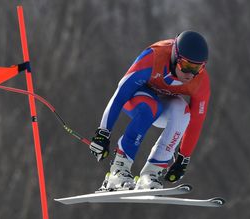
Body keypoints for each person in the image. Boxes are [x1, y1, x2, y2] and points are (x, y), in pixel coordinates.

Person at [89, 30, 210, 190]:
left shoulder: (200, 82)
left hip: (161, 102)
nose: (190, 74)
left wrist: (183, 158)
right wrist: (103, 132)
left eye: (197, 68)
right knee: (151, 107)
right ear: (175, 57)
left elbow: (196, 121)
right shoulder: (155, 57)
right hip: (136, 99)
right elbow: (120, 95)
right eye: (186, 66)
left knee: (182, 111)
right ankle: (119, 170)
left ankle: (152, 172)